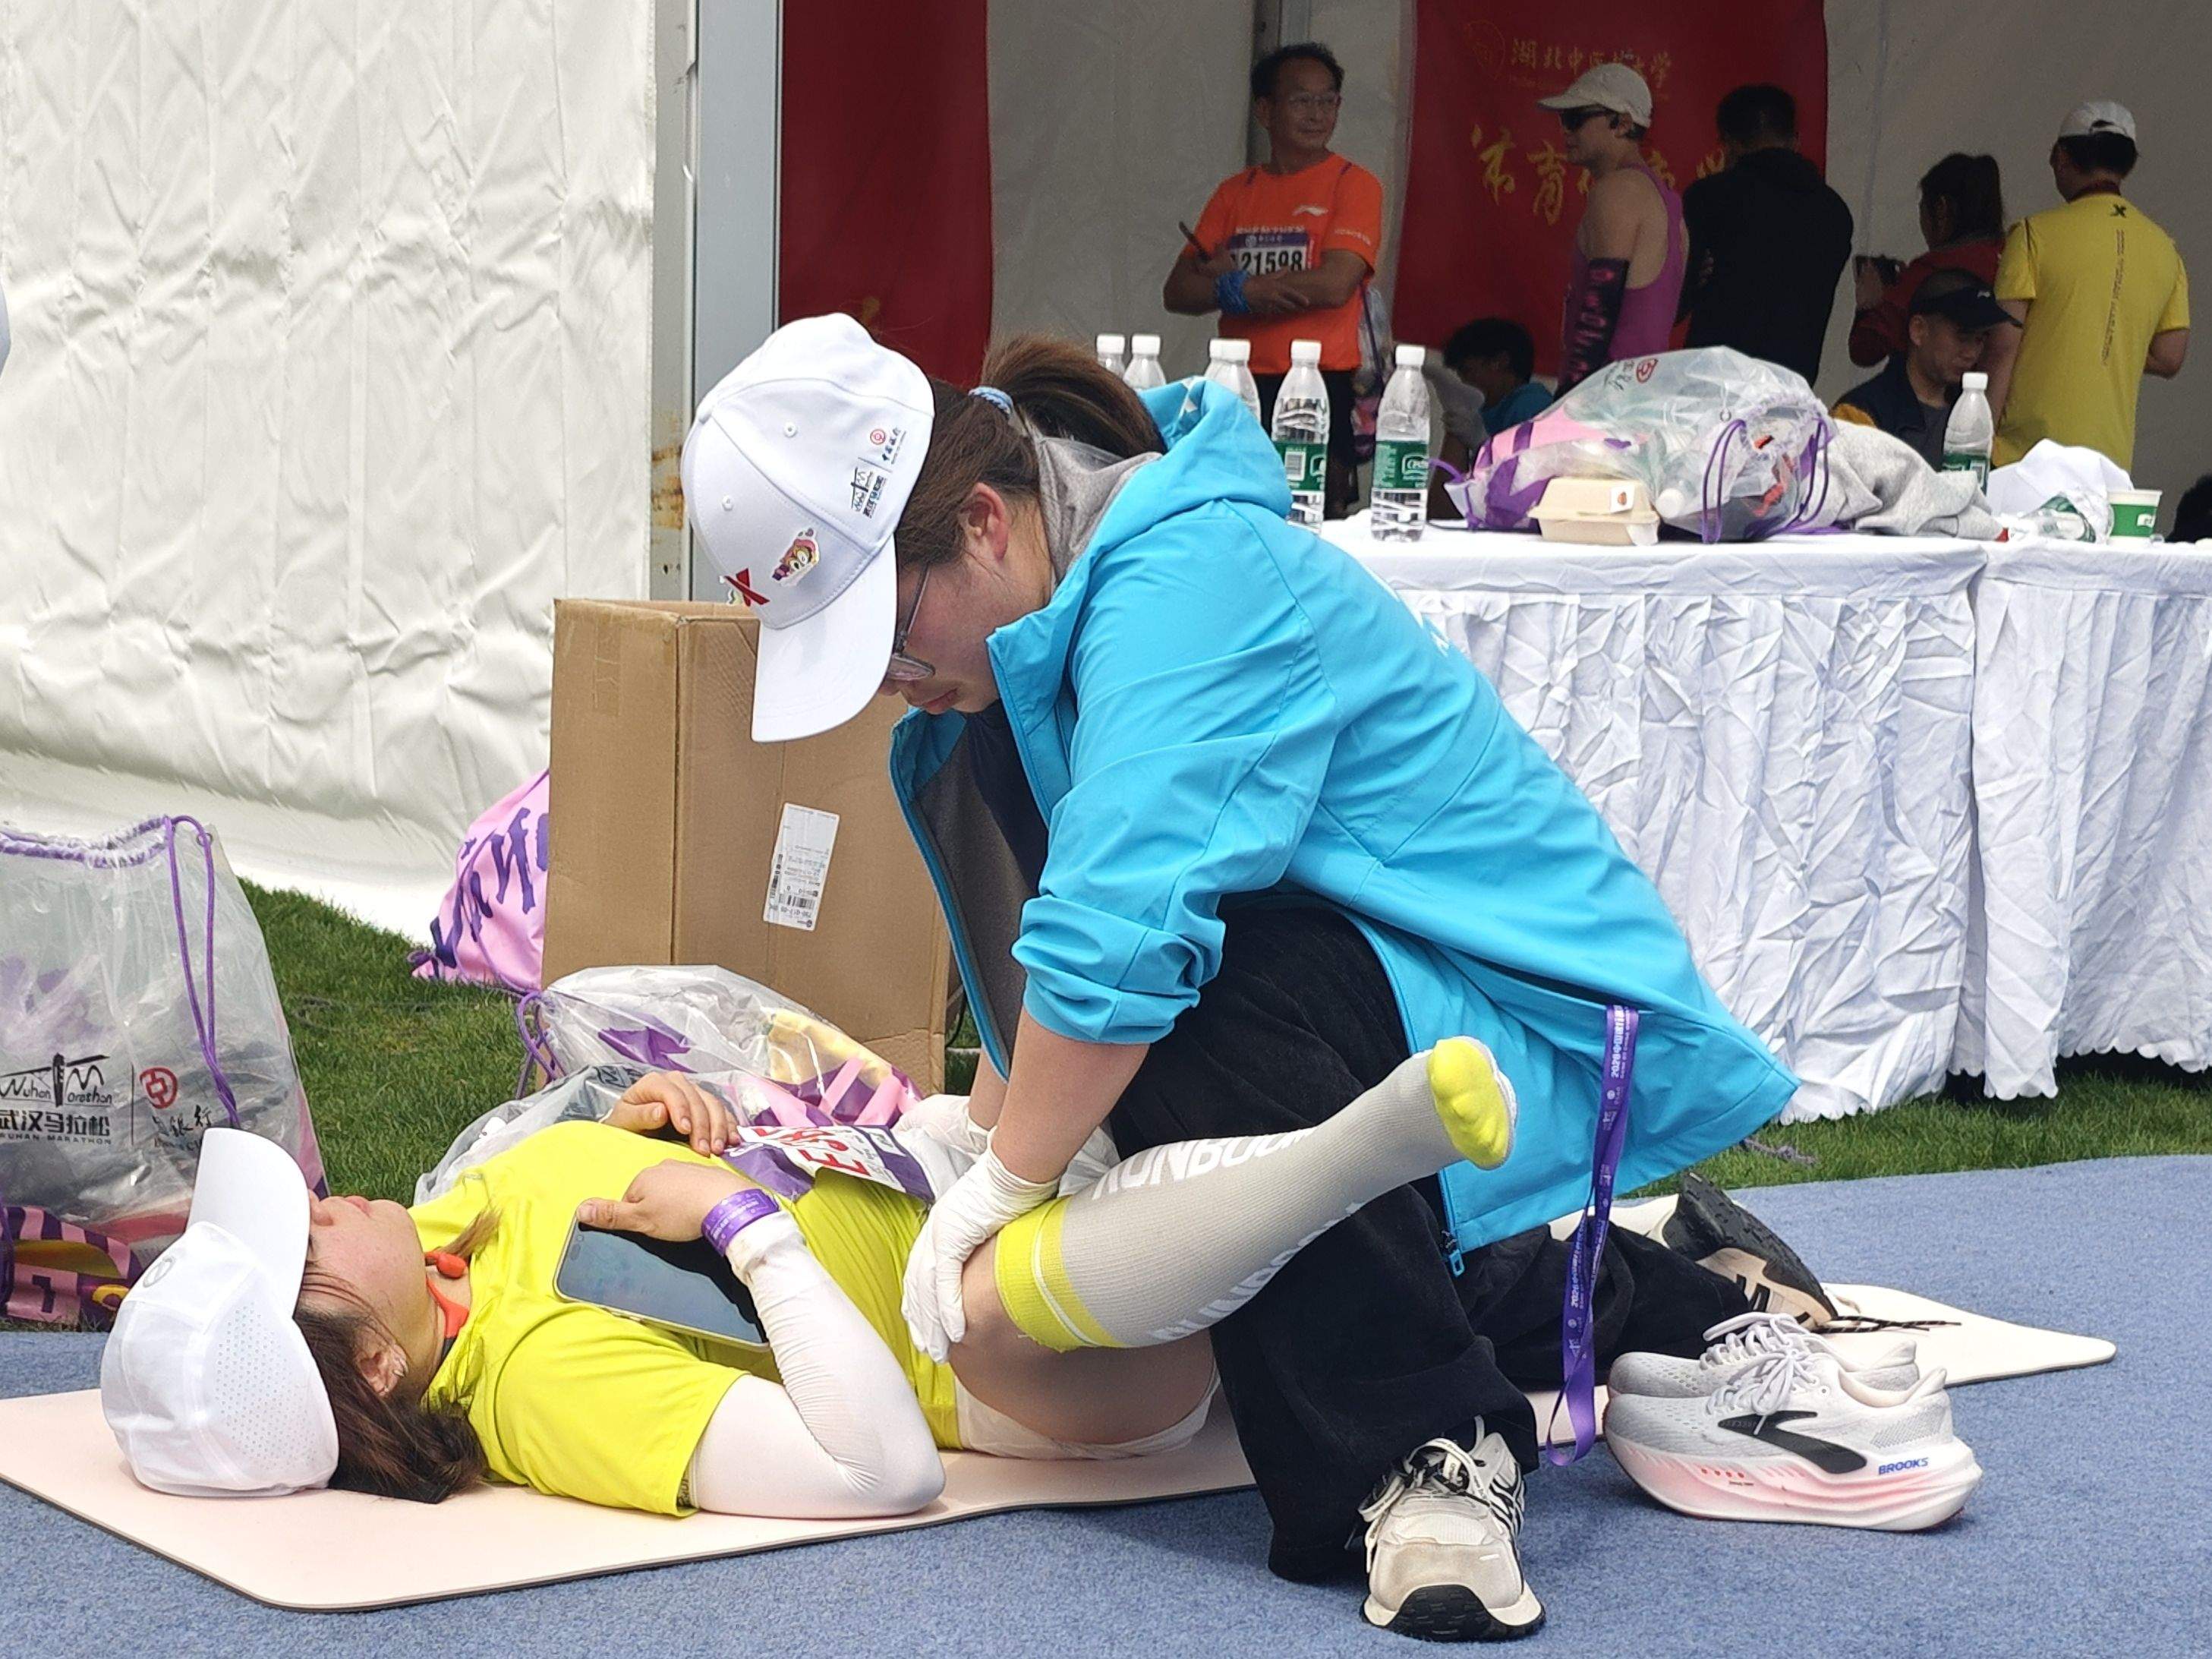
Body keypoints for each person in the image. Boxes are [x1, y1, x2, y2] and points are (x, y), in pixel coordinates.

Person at [676, 313, 1798, 1638]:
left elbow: (1122, 941)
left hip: (1515, 1026)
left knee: (1183, 1015)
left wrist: (1007, 1179)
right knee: (1174, 1126)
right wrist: (971, 1140)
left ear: (981, 521)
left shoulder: (1187, 578)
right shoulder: (1032, 640)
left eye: (885, 637)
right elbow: (1066, 956)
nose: (887, 684)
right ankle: (1667, 1305)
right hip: (1378, 1028)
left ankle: (1424, 1444)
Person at [101, 1045, 1535, 1521]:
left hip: (930, 1169)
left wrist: (657, 1113)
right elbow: (879, 1469)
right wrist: (739, 1223)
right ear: (370, 1367)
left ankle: (1417, 1207)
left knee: (1034, 936)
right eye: (308, 1243)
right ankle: (1361, 1153)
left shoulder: (442, 1227)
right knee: (983, 1300)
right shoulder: (541, 1381)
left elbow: (619, 1149)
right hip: (1015, 1353)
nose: (326, 1201)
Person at [1163, 40, 1382, 517]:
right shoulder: (1235, 193)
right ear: (1265, 110)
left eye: (1328, 101)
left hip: (1321, 382)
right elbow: (1177, 290)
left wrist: (1245, 288)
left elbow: (1336, 283)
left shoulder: (1353, 183)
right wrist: (1237, 290)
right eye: (1302, 100)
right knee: (1233, 511)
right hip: (1239, 381)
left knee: (1313, 517)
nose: (1317, 114)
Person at [1982, 102, 2190, 471]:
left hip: (2024, 457)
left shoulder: (2032, 235)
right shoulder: (2166, 250)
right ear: (2128, 165)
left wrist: (1977, 444)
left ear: (2062, 157)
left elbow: (2003, 347)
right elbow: (2170, 356)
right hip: (2109, 464)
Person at [1678, 84, 1854, 383]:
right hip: (1791, 387)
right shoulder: (1834, 211)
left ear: (1729, 144)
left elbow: (1675, 302)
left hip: (1713, 385)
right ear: (1795, 140)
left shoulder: (1710, 198)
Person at [1536, 64, 1685, 394]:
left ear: (1623, 124)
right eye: (1564, 120)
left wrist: (1568, 400)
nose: (1566, 131)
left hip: (1606, 399)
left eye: (1576, 118)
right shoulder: (1671, 206)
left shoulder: (1618, 190)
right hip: (1640, 395)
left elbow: (1599, 311)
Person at [1832, 271, 2019, 466]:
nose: (1971, 353)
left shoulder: (1974, 413)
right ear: (1919, 331)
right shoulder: (1859, 413)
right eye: (1963, 337)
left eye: (1980, 340)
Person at [1848, 153, 2008, 368]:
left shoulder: (1930, 273)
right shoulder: (2013, 257)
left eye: (1922, 210)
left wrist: (1870, 304)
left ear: (1941, 208)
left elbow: (1865, 350)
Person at [1426, 318, 1553, 519]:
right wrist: (1459, 422)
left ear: (1500, 362)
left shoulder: (1531, 405)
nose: (1463, 381)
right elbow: (1440, 511)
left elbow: (1527, 483)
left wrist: (1482, 442)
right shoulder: (1489, 409)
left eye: (1467, 371)